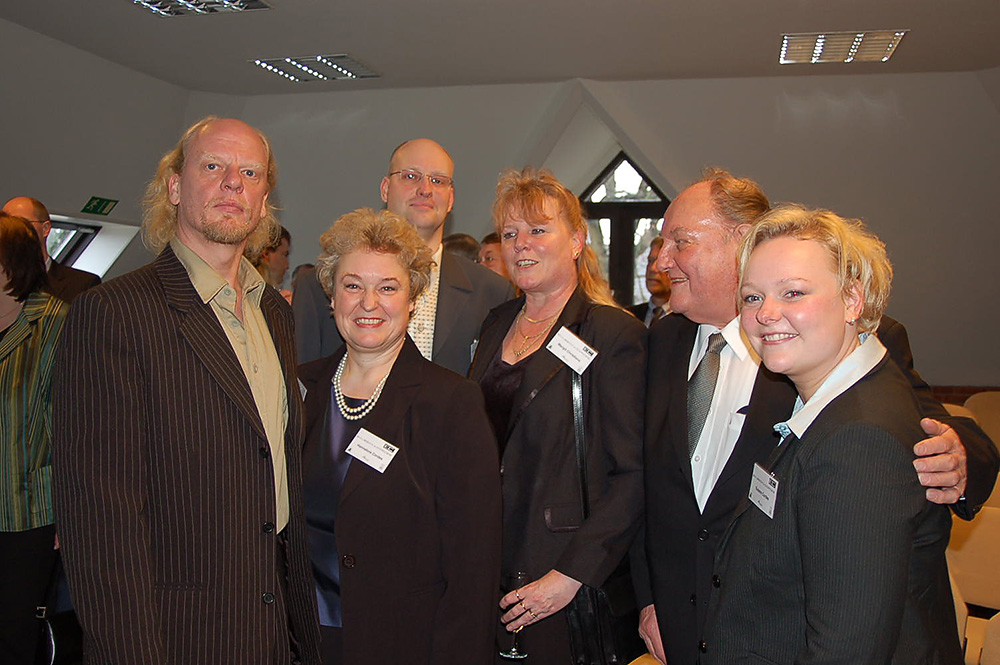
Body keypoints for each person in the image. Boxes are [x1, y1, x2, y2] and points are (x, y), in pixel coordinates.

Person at [633, 168, 998, 665]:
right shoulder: (662, 342)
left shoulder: (834, 347)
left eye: (681, 241)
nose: (662, 259)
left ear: (740, 242)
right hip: (690, 623)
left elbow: (914, 428)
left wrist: (957, 457)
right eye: (755, 298)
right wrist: (652, 597)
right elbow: (649, 488)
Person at [51, 117, 321, 664]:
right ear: (175, 186)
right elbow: (101, 521)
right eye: (213, 166)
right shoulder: (115, 313)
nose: (232, 184)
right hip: (176, 635)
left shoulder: (275, 312)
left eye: (249, 172)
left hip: (275, 626)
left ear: (265, 197)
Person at [702, 205, 962, 662]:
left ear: (853, 300)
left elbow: (846, 650)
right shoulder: (822, 397)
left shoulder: (858, 440)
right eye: (752, 297)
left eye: (794, 292)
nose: (767, 314)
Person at [298, 208, 502, 664]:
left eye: (387, 287)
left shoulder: (451, 403)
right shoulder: (297, 389)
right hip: (300, 639)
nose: (368, 303)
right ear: (332, 296)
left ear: (412, 298)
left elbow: (474, 567)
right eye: (352, 285)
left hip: (403, 642)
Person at [469, 168, 646, 663]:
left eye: (538, 230)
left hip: (559, 575)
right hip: (489, 557)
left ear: (576, 240)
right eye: (510, 234)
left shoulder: (611, 334)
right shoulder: (496, 322)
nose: (521, 244)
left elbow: (632, 474)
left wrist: (570, 576)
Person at [293, 139, 512, 371]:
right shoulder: (318, 286)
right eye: (410, 176)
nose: (425, 190)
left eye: (437, 181)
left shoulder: (492, 292)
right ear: (385, 189)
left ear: (451, 199)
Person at [0, 213, 69, 664]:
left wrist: (70, 510)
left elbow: (74, 425)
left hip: (27, 512)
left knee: (12, 634)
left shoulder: (55, 324)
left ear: (11, 265)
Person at [2, 196, 101, 302]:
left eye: (22, 224)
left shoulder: (83, 284)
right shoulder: (3, 282)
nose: (13, 232)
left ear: (45, 228)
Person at [627, 236, 670, 327]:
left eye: (660, 263)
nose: (652, 269)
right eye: (650, 261)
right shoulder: (629, 317)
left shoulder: (689, 320)